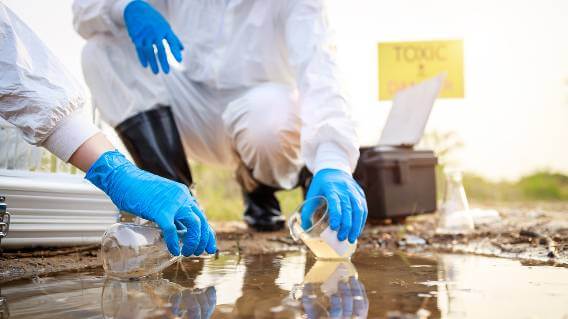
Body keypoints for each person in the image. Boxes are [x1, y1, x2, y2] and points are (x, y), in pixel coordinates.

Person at [72, 0, 368, 242]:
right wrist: (127, 7)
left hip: (263, 114)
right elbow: (84, 11)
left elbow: (321, 72)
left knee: (269, 118)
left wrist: (333, 163)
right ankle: (174, 203)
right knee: (101, 50)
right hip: (192, 107)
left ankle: (259, 189)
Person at [0, 3, 215, 257]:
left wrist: (114, 171)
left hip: (246, 110)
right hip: (171, 92)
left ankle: (260, 196)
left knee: (263, 119)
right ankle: (174, 196)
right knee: (99, 51)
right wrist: (126, 6)